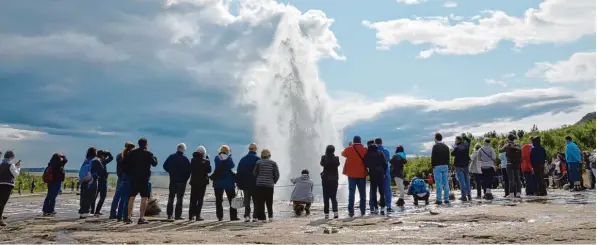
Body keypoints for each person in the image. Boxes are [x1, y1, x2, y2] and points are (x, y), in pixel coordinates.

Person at [122, 138, 158, 224]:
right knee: (144, 198)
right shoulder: (149, 154)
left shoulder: (132, 153)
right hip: (144, 179)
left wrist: (130, 174)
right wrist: (155, 158)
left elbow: (124, 165)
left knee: (132, 197)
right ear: (146, 144)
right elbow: (154, 164)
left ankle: (129, 217)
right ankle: (141, 217)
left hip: (134, 178)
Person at [341, 136, 368, 217]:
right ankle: (363, 211)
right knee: (362, 194)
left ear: (353, 141)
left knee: (351, 193)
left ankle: (351, 211)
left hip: (351, 174)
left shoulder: (349, 149)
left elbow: (343, 154)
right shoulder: (364, 149)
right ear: (360, 141)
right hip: (362, 174)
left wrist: (350, 146)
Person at [163, 143, 191, 220]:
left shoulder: (171, 157)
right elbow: (189, 171)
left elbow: (165, 166)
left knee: (171, 198)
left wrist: (171, 172)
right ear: (183, 149)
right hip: (182, 181)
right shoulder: (185, 159)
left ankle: (169, 215)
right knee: (179, 199)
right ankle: (177, 215)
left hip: (173, 180)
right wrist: (185, 179)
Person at [211, 145, 239, 221]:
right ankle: (233, 217)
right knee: (232, 200)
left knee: (218, 200)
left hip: (218, 182)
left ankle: (220, 217)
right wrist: (229, 157)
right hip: (228, 182)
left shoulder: (217, 158)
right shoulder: (229, 158)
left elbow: (218, 166)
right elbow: (232, 166)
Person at [110, 142, 135, 221]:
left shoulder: (119, 155)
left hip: (120, 177)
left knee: (117, 197)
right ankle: (123, 215)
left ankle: (113, 214)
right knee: (125, 198)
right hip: (127, 178)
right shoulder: (129, 157)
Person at [253, 149, 280, 222]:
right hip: (269, 185)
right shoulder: (273, 163)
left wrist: (258, 179)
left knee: (260, 202)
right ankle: (270, 217)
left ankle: (262, 218)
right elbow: (277, 174)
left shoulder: (258, 162)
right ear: (269, 155)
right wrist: (274, 181)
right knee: (269, 201)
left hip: (259, 185)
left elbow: (254, 173)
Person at [236, 143, 260, 222]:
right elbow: (260, 172)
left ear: (249, 149)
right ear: (255, 149)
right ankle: (255, 217)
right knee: (256, 201)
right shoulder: (258, 159)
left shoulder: (243, 159)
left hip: (245, 184)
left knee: (247, 201)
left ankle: (247, 216)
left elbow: (239, 173)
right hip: (255, 184)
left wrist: (239, 184)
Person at [364, 140, 387, 215]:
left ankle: (375, 207)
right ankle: (383, 207)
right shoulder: (380, 153)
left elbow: (366, 164)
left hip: (373, 174)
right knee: (381, 191)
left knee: (373, 191)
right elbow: (385, 164)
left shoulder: (368, 154)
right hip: (380, 173)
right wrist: (384, 172)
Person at [189, 146, 211, 221]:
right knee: (200, 199)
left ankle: (191, 215)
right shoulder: (206, 161)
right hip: (202, 183)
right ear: (203, 153)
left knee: (193, 199)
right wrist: (208, 160)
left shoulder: (192, 160)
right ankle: (198, 215)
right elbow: (209, 170)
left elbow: (191, 169)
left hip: (194, 182)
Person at [0, 151, 21, 226]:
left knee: (1, 201)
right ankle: (0, 220)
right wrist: (18, 167)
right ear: (11, 157)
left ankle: (0, 216)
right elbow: (16, 174)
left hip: (1, 184)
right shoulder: (11, 165)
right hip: (8, 184)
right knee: (2, 203)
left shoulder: (1, 164)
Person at [90, 150, 113, 216]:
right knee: (101, 197)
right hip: (101, 181)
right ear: (102, 156)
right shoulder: (101, 161)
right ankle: (96, 211)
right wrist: (108, 152)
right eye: (104, 156)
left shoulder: (98, 161)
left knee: (95, 197)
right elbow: (111, 158)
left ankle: (93, 211)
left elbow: (111, 158)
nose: (105, 157)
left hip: (99, 181)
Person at [320, 145, 340, 219]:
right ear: (333, 151)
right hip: (334, 179)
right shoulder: (336, 158)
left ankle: (326, 214)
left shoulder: (324, 157)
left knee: (326, 197)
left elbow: (321, 164)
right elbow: (338, 164)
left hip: (325, 180)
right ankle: (335, 212)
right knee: (333, 197)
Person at [78, 147, 98, 219]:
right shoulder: (94, 160)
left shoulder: (86, 160)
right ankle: (86, 212)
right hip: (90, 180)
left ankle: (82, 211)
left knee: (83, 196)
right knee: (90, 196)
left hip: (83, 180)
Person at [374, 138, 393, 213]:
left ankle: (374, 207)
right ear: (381, 142)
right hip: (386, 172)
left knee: (374, 190)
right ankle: (388, 206)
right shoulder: (386, 151)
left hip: (376, 173)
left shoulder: (373, 151)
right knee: (387, 190)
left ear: (375, 143)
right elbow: (387, 161)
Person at [500, 134, 522, 198]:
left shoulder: (507, 146)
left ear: (508, 139)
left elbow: (500, 150)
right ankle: (518, 192)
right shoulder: (517, 145)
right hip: (517, 164)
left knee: (511, 179)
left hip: (509, 164)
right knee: (517, 178)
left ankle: (511, 193)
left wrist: (505, 144)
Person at [431, 133, 450, 204]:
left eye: (434, 138)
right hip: (445, 165)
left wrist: (433, 166)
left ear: (436, 138)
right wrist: (448, 165)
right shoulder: (446, 147)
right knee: (446, 183)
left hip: (437, 166)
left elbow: (433, 157)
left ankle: (439, 199)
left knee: (438, 183)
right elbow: (448, 158)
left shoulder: (435, 146)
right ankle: (446, 199)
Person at [452, 135, 471, 201]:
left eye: (455, 140)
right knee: (467, 180)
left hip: (458, 166)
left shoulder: (457, 148)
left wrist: (455, 147)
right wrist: (464, 137)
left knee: (462, 181)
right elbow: (469, 140)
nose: (455, 141)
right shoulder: (466, 145)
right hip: (466, 165)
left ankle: (463, 196)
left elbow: (452, 154)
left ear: (457, 140)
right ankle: (469, 195)